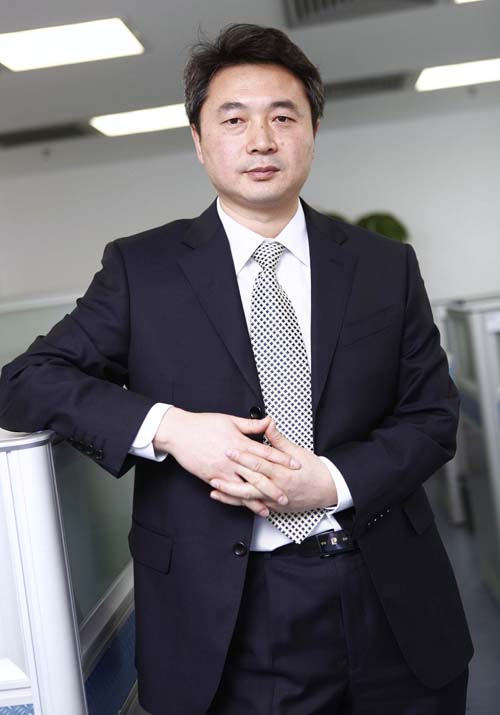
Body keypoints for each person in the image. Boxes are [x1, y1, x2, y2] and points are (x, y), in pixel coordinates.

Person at [0, 23, 473, 715]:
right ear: (199, 141)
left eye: (283, 117)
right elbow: (24, 380)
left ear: (312, 131)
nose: (261, 140)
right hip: (229, 621)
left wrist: (331, 482)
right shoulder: (143, 270)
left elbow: (431, 416)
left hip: (392, 602)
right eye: (233, 119)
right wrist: (169, 428)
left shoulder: (383, 265)